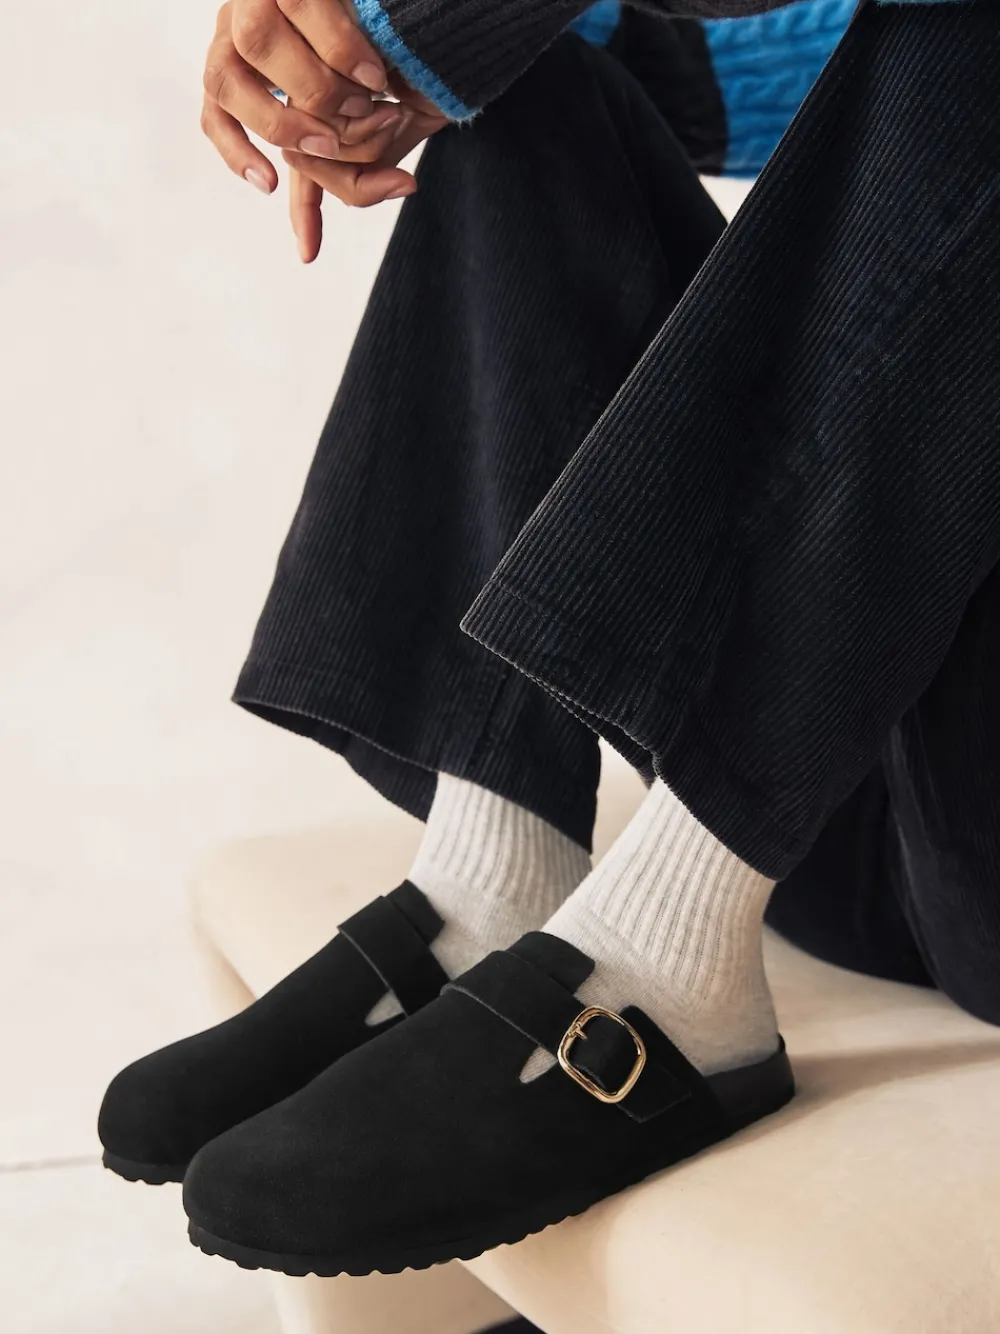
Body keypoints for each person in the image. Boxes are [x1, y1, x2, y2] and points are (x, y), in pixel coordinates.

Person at [99, 0, 998, 1285]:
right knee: (539, 81)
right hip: (851, 782)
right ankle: (492, 874)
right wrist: (380, 61)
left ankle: (658, 968)